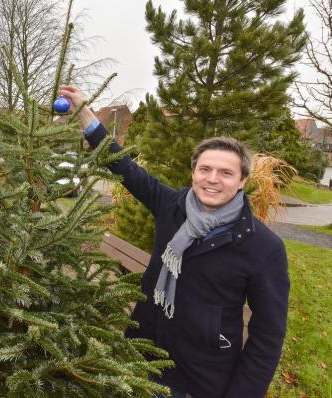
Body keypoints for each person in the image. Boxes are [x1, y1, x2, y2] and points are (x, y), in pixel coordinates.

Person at [58, 86, 290, 398]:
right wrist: (86, 114)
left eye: (225, 172)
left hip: (200, 381)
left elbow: (268, 336)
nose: (212, 178)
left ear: (242, 181)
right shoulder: (172, 206)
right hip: (140, 359)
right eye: (204, 169)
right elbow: (125, 168)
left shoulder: (263, 248)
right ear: (193, 172)